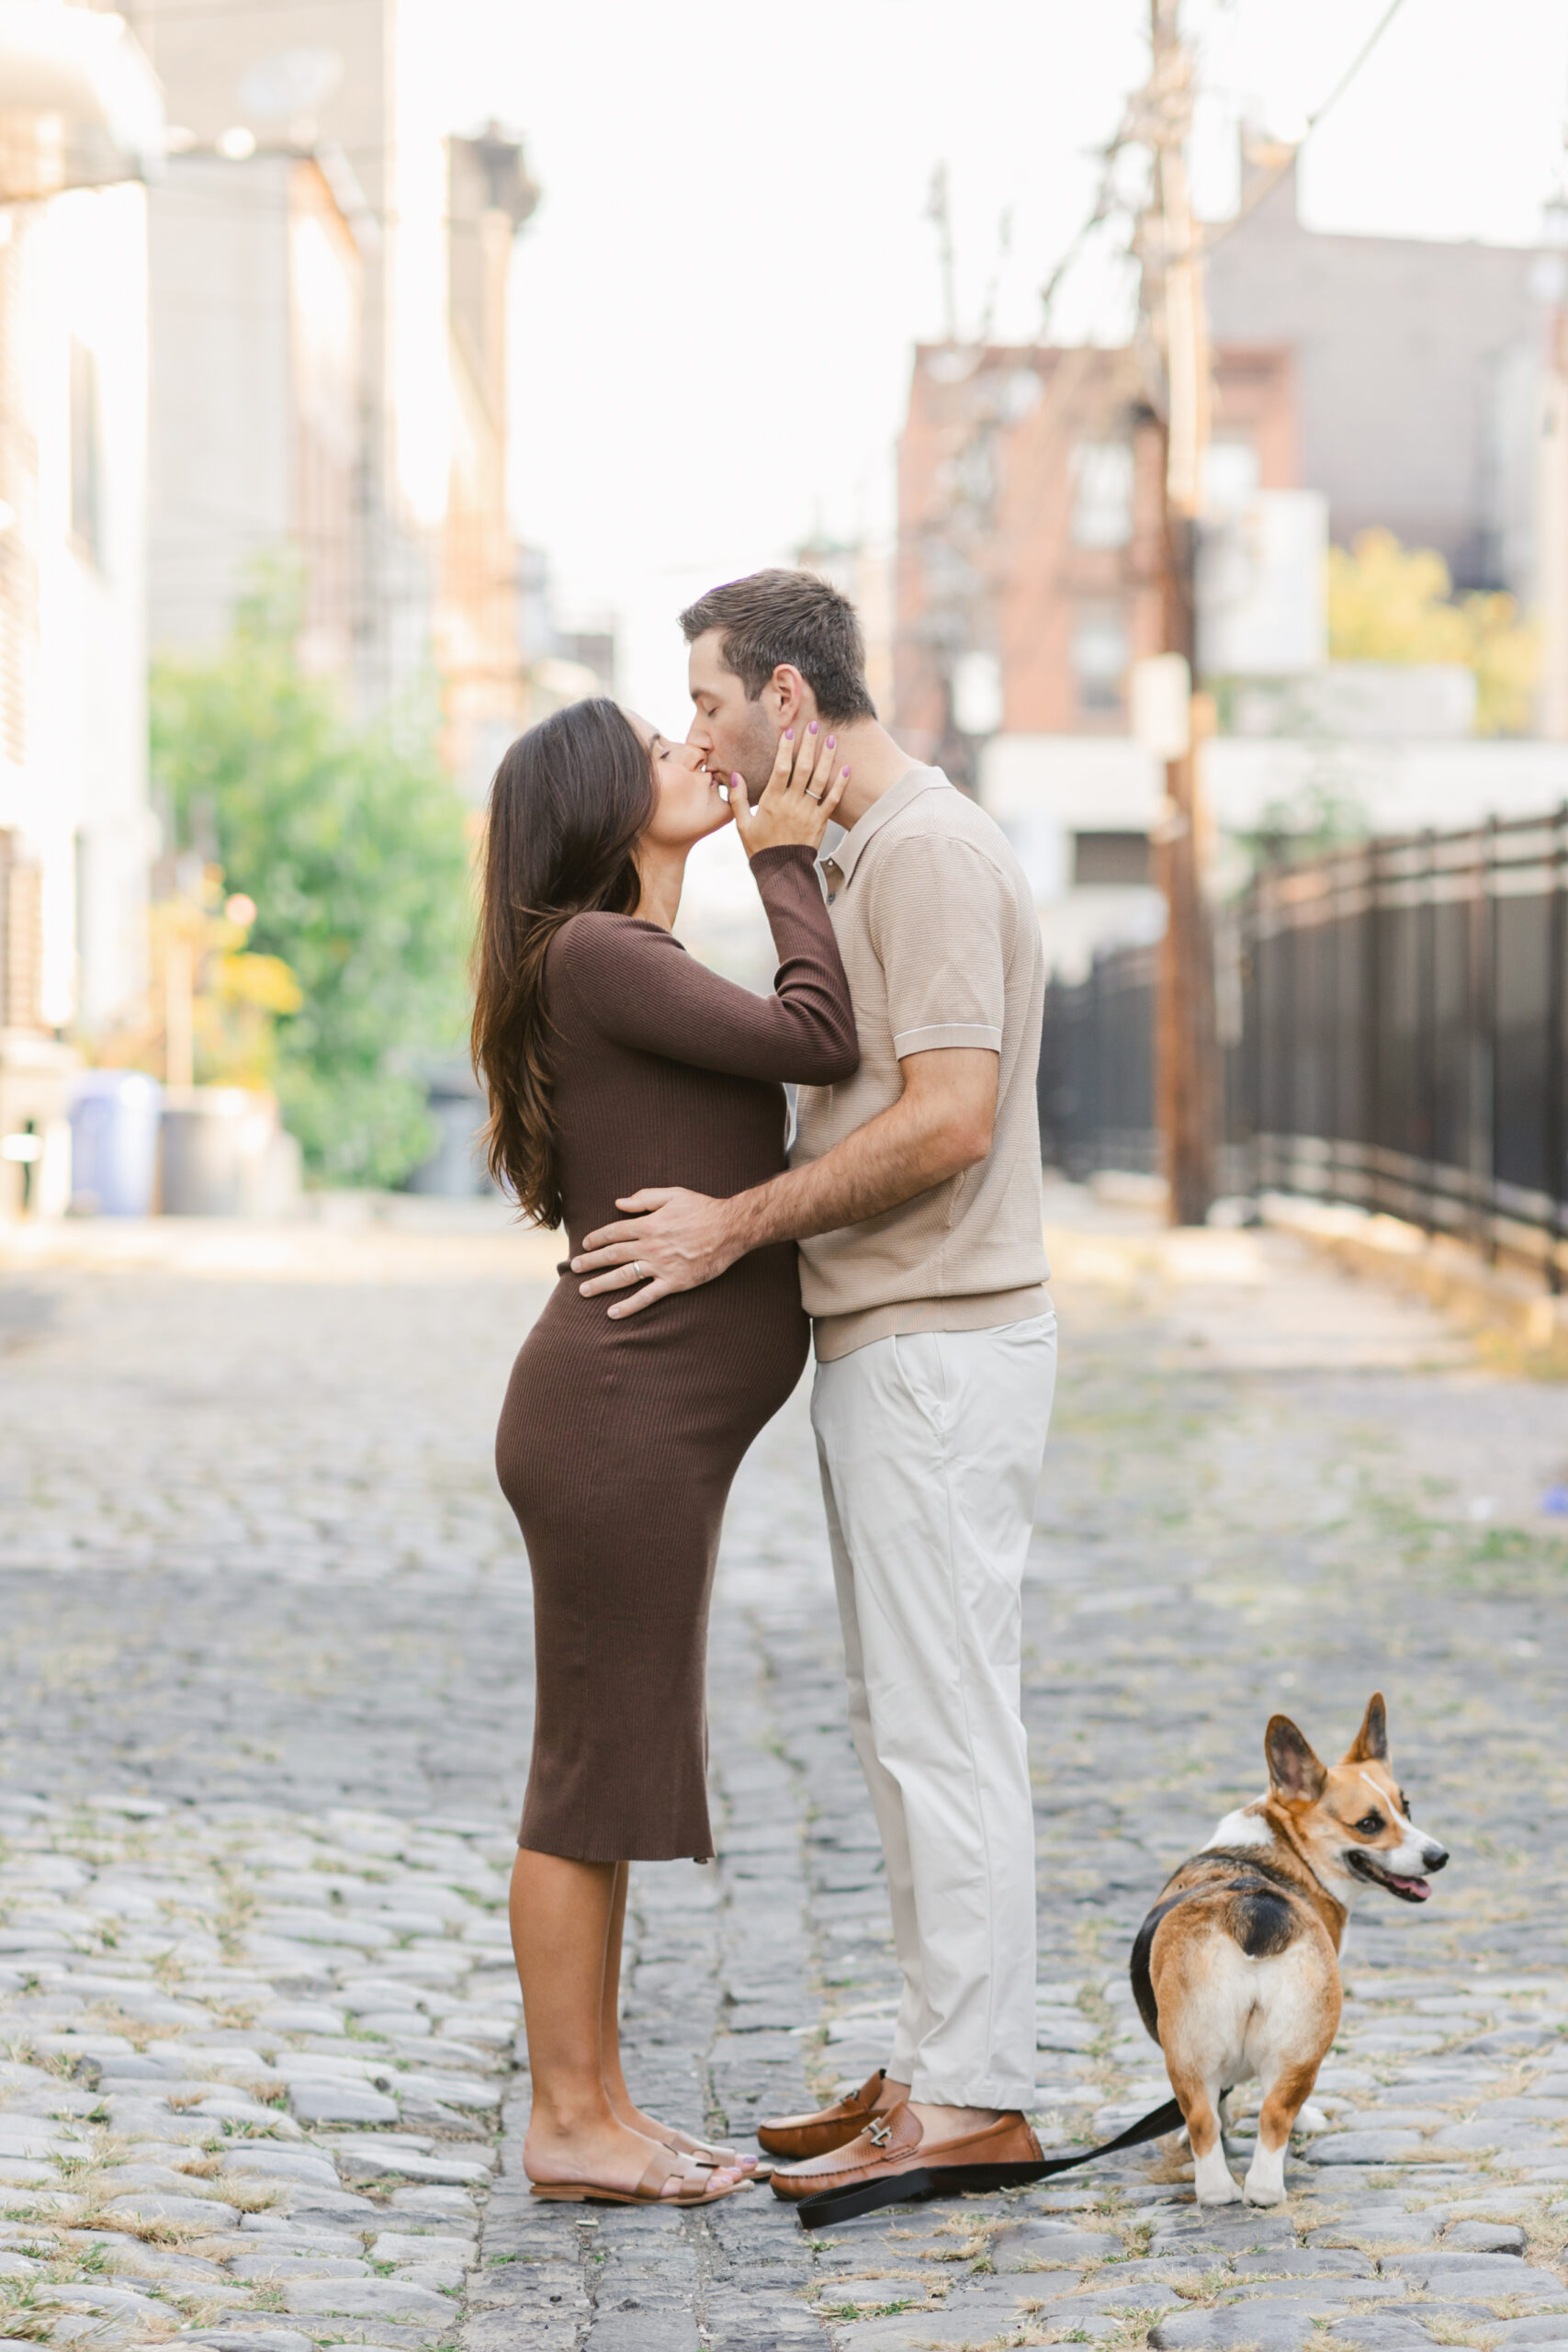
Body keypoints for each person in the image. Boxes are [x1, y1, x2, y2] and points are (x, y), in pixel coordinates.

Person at [570, 571, 1056, 2207]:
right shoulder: (851, 852)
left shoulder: (919, 851)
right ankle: (938, 2062)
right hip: (893, 1345)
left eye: (705, 699)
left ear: (786, 697)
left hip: (937, 1339)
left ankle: (979, 2093)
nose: (693, 730)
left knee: (945, 1730)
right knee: (904, 1723)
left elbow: (947, 1119)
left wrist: (736, 1226)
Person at [474, 695, 859, 2207]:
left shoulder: (619, 961)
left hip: (636, 1429)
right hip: (614, 1426)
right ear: (592, 805)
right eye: (654, 748)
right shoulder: (600, 956)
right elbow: (820, 1036)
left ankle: (603, 2108)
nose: (689, 749)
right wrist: (788, 859)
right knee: (586, 1777)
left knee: (614, 1766)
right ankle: (567, 2124)